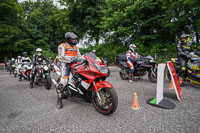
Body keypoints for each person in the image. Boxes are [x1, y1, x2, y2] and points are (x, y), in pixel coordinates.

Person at [56, 32, 81, 109]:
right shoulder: (62, 46)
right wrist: (71, 60)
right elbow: (61, 57)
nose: (74, 40)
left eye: (75, 39)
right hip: (66, 65)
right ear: (68, 39)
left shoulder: (76, 47)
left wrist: (84, 58)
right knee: (64, 81)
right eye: (72, 39)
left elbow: (79, 56)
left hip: (75, 65)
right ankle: (59, 99)